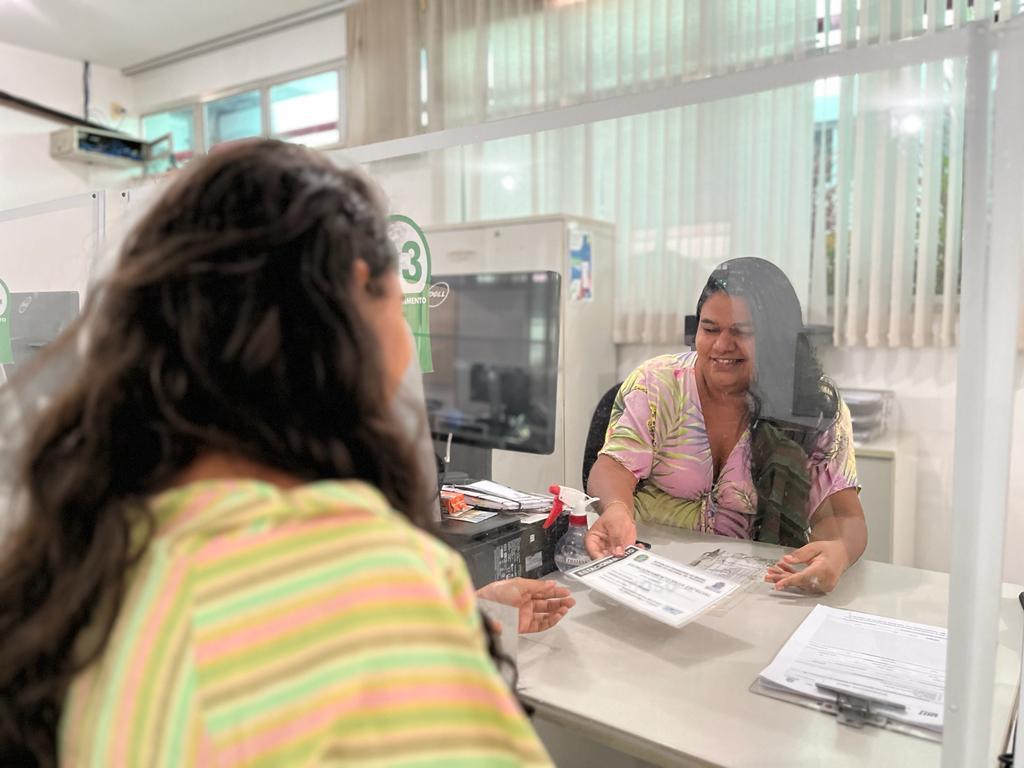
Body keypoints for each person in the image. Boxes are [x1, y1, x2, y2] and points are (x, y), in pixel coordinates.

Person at [0, 140, 567, 767]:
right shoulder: (368, 582)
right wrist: (425, 624)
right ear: (356, 292)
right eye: (398, 301)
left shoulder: (95, 547)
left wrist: (463, 615)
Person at [586, 257, 866, 593]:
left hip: (759, 589)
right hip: (651, 577)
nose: (721, 346)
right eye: (710, 328)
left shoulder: (810, 405)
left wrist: (839, 551)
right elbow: (612, 467)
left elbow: (844, 517)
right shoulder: (658, 383)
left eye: (742, 333)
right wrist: (616, 509)